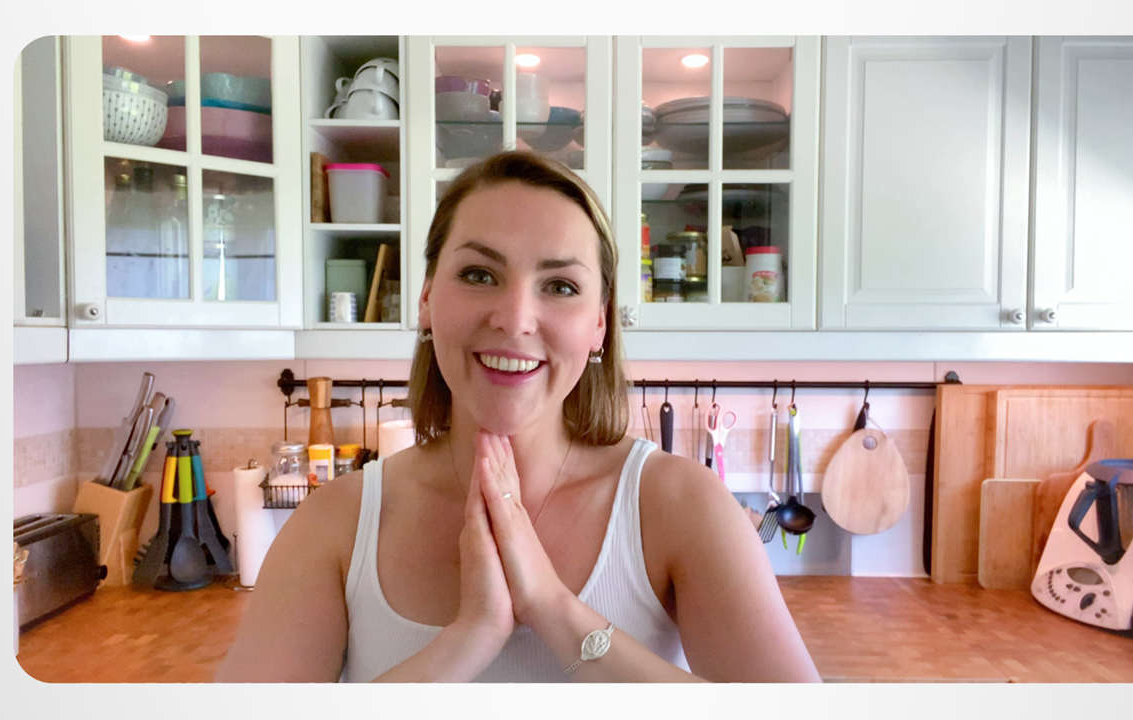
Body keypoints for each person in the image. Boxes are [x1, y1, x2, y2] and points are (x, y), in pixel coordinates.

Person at [216, 151, 820, 682]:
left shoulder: (682, 506)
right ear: (426, 299)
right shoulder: (336, 525)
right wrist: (468, 638)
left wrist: (553, 610)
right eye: (479, 275)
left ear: (600, 323)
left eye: (560, 286)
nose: (514, 318)